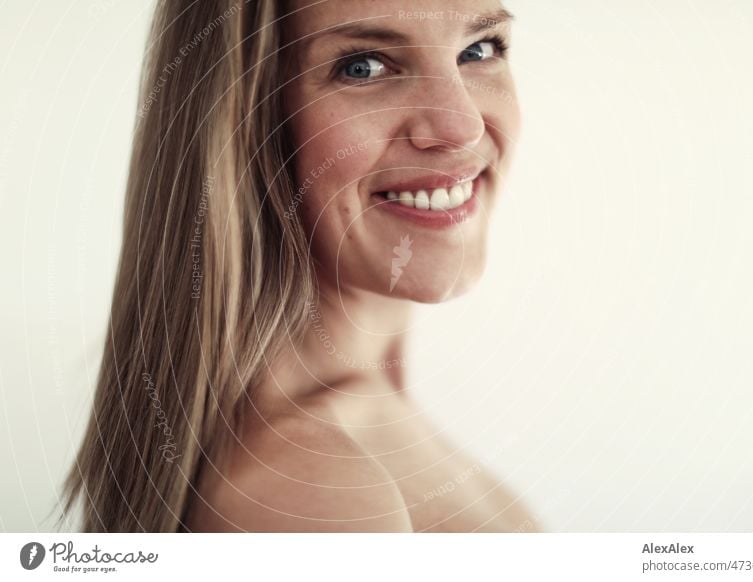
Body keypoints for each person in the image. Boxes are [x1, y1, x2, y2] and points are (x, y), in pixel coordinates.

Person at [63, 0, 536, 532]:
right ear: (247, 124)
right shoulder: (320, 496)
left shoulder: (361, 411)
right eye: (364, 66)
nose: (462, 125)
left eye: (479, 49)